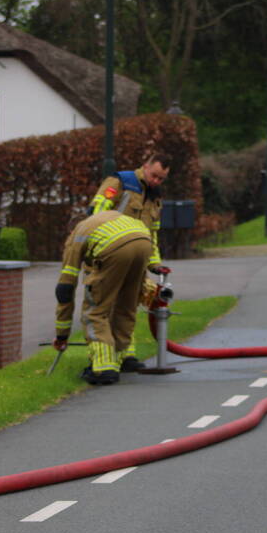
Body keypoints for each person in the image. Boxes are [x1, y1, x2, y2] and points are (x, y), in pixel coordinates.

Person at [88, 153, 171, 371]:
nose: (156, 181)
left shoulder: (155, 197)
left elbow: (152, 235)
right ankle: (103, 360)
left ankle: (126, 355)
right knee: (103, 306)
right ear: (145, 166)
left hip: (136, 261)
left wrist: (154, 263)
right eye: (154, 175)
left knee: (128, 306)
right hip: (108, 256)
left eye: (161, 179)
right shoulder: (121, 182)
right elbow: (96, 214)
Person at [54, 210, 153, 385]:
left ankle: (103, 369)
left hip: (115, 248)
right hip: (145, 242)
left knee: (95, 312)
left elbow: (65, 288)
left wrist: (62, 335)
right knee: (125, 307)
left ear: (71, 231)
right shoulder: (106, 220)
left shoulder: (77, 235)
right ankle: (122, 358)